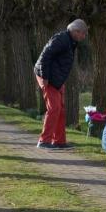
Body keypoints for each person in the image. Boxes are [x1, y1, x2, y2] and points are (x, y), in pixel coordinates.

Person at [34, 19, 87, 149]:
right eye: (83, 33)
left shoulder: (71, 41)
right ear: (76, 31)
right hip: (47, 77)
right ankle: (44, 141)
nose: (84, 37)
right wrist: (45, 76)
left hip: (56, 79)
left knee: (61, 110)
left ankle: (59, 141)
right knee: (54, 108)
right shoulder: (61, 39)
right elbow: (45, 56)